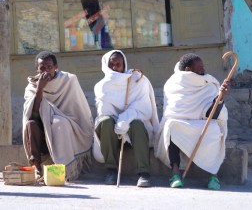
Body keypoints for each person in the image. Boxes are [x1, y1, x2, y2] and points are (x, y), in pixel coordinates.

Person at [155, 53, 230, 190]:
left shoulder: (208, 83)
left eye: (203, 67)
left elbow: (212, 115)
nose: (203, 70)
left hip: (203, 123)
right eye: (199, 68)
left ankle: (213, 175)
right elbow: (171, 113)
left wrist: (220, 97)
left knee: (214, 128)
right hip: (181, 124)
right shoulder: (173, 84)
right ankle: (175, 174)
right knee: (170, 125)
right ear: (188, 70)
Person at [23, 51, 94, 181]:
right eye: (42, 68)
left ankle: (64, 168)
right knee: (30, 124)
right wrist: (40, 89)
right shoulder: (32, 86)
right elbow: (32, 114)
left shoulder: (69, 80)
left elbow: (77, 109)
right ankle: (36, 167)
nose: (46, 71)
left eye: (49, 67)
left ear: (56, 67)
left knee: (58, 122)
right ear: (37, 69)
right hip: (42, 132)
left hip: (67, 129)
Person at [93, 50, 159, 187]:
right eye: (112, 64)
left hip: (133, 122)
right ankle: (111, 170)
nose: (115, 68)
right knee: (105, 122)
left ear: (124, 64)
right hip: (112, 130)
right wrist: (118, 123)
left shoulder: (137, 79)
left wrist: (125, 118)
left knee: (137, 124)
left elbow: (144, 107)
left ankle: (143, 173)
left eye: (119, 64)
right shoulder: (101, 86)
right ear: (106, 65)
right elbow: (104, 111)